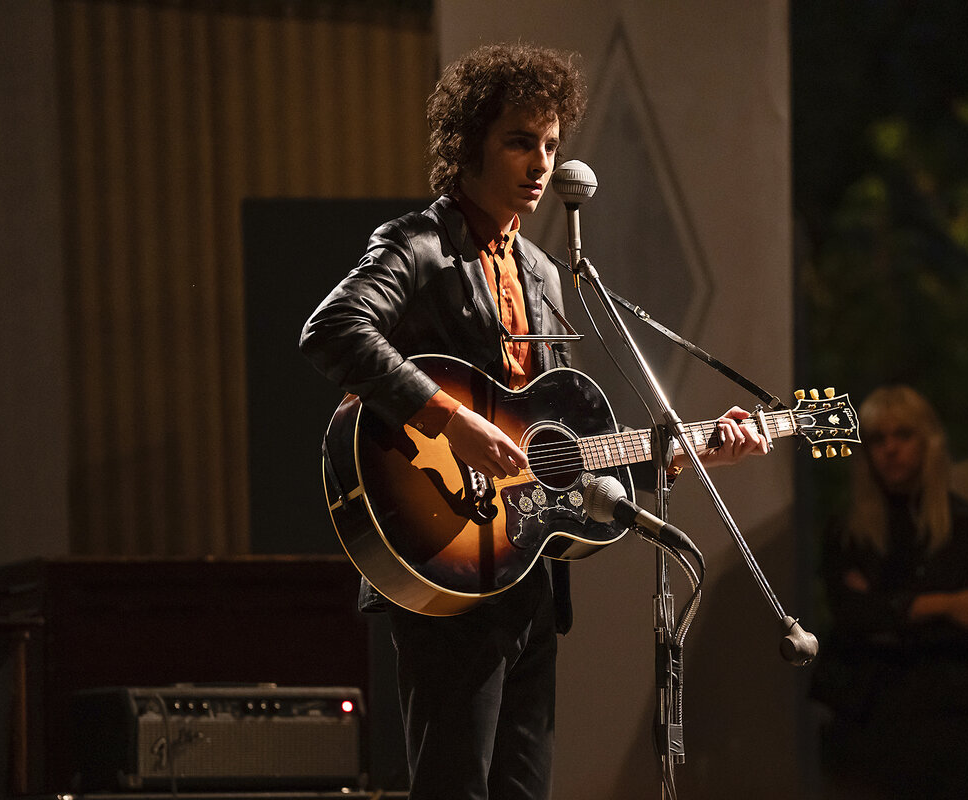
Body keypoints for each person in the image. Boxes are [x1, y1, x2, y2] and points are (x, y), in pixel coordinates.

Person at [299, 42, 768, 800]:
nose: (542, 163)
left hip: (526, 568)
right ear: (467, 144)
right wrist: (448, 420)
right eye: (520, 141)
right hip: (445, 553)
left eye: (552, 144)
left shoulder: (546, 273)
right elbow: (332, 329)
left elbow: (555, 448)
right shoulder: (419, 246)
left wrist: (683, 454)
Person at [810, 386, 968, 799]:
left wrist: (887, 606)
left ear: (927, 440)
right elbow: (851, 617)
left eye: (903, 435)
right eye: (878, 439)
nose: (890, 449)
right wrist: (944, 603)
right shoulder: (848, 533)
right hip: (869, 714)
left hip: (950, 716)